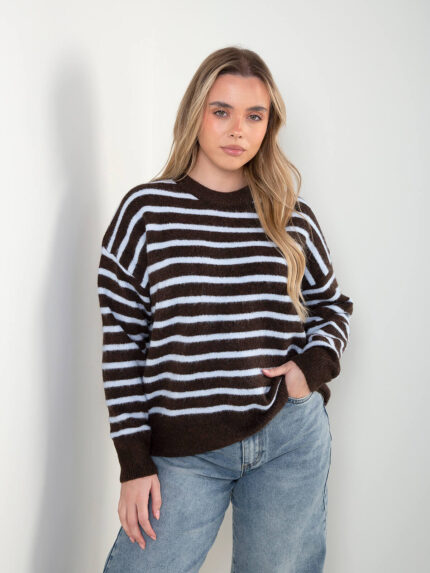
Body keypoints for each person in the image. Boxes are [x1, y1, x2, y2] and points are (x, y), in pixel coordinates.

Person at [97, 45, 354, 573]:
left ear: (268, 126)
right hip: (184, 452)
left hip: (288, 437)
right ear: (196, 114)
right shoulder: (146, 213)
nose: (238, 130)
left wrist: (307, 372)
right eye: (222, 111)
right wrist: (134, 464)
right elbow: (122, 343)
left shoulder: (291, 217)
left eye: (254, 116)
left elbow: (332, 305)